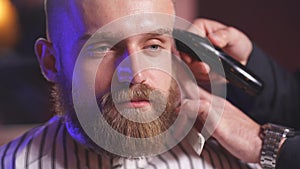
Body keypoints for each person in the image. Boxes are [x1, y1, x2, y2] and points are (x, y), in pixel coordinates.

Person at [0, 1, 293, 169]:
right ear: (50, 62)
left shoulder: (240, 160)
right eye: (103, 48)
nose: (136, 74)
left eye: (153, 45)